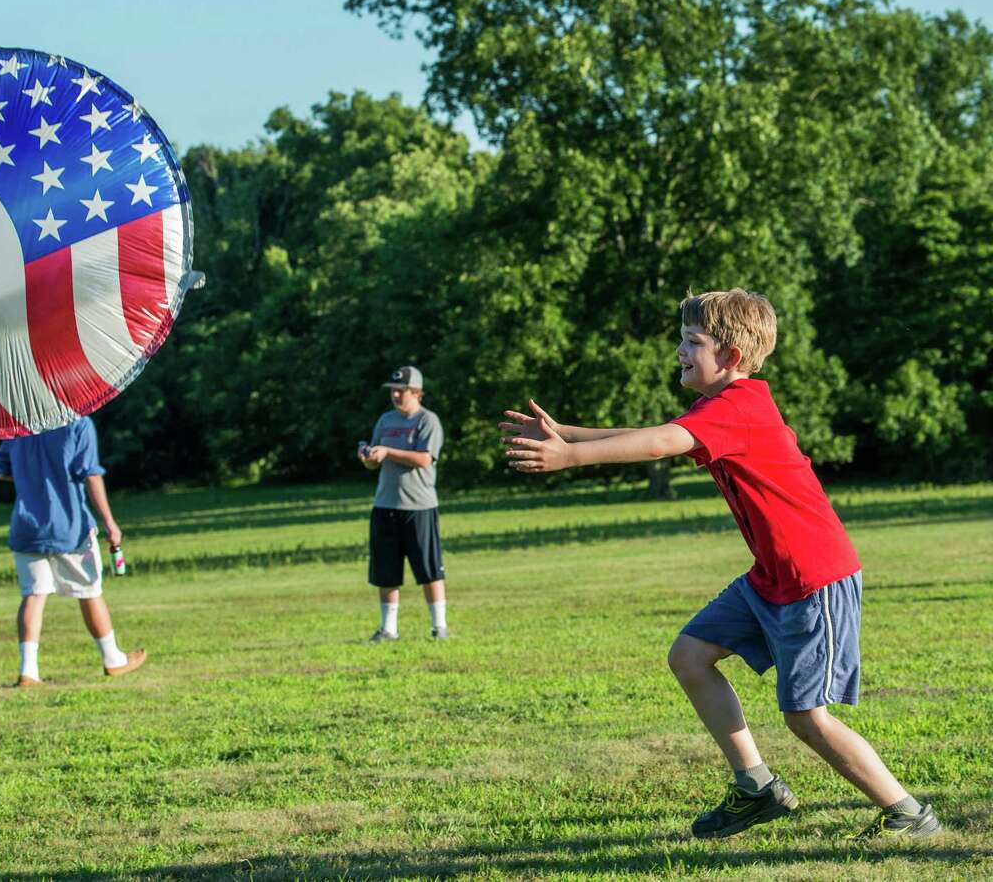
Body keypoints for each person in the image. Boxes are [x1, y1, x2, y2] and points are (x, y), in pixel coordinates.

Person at [500, 288, 940, 841]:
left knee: (807, 718)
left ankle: (908, 813)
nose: (680, 350)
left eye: (692, 341)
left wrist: (569, 456)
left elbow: (661, 443)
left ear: (729, 356)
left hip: (813, 580)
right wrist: (568, 434)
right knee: (690, 655)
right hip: (770, 578)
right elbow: (664, 437)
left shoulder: (740, 408)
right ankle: (756, 788)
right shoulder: (721, 409)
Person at [0, 416, 146, 687]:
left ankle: (28, 671)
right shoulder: (78, 424)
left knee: (34, 594)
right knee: (90, 591)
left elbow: (3, 472)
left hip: (27, 526)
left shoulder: (16, 425)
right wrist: (110, 521)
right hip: (70, 525)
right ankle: (113, 659)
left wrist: (34, 473)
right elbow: (90, 474)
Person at [358, 366, 449, 643]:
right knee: (386, 571)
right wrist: (368, 456)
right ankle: (388, 629)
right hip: (385, 504)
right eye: (393, 391)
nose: (396, 395)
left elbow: (424, 459)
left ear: (417, 393)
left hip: (419, 507)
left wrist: (388, 451)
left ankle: (439, 626)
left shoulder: (428, 421)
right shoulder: (385, 421)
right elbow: (375, 461)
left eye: (402, 391)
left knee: (429, 569)